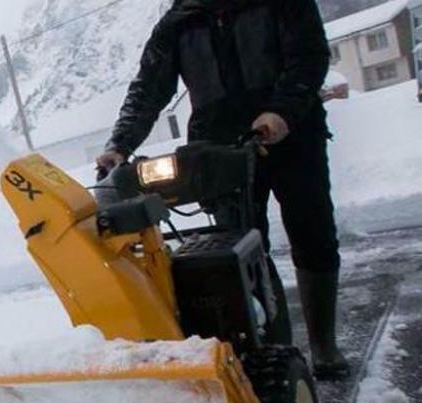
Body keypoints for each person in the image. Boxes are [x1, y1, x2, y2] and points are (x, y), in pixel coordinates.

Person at [96, 0, 348, 377]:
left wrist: (281, 111)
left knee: (314, 236)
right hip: (219, 153)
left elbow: (309, 56)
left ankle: (324, 347)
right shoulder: (178, 24)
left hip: (292, 136)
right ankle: (274, 350)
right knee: (242, 249)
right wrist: (120, 145)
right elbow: (149, 88)